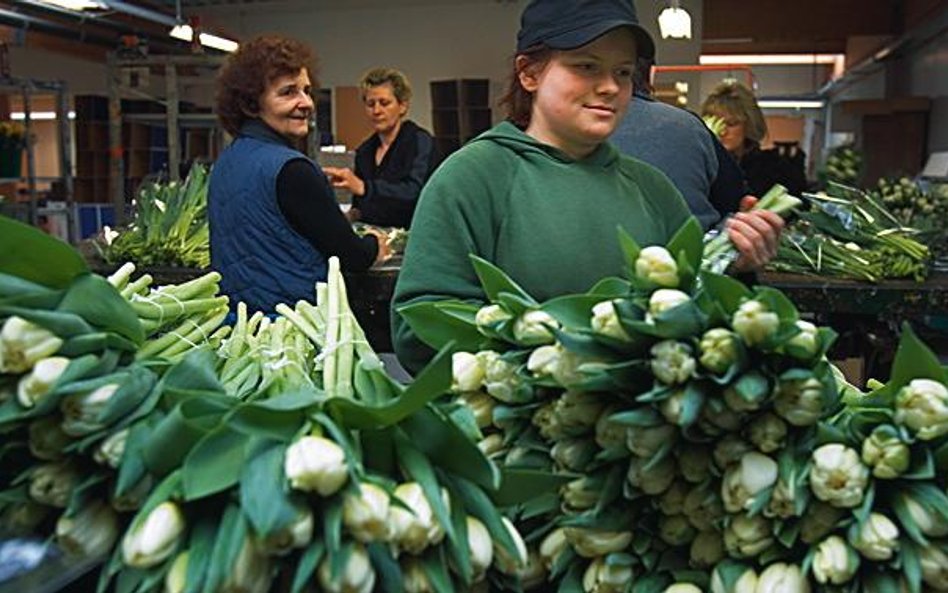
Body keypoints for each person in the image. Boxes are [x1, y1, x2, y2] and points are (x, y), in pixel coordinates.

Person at [390, 0, 784, 373]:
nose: (610, 86)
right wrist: (553, 359)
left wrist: (736, 267)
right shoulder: (471, 178)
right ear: (529, 73)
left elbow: (694, 314)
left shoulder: (652, 189)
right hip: (516, 436)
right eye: (587, 66)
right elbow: (417, 328)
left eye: (623, 72)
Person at [209, 35, 389, 314]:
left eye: (306, 90)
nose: (306, 103)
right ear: (250, 104)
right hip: (292, 327)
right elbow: (352, 255)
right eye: (288, 92)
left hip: (240, 326)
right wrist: (375, 245)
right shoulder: (292, 170)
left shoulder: (227, 162)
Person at [611, 57, 747, 230]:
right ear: (651, 74)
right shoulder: (688, 126)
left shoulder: (578, 130)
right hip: (691, 249)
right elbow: (733, 199)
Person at [323, 68, 438, 229]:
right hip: (375, 239)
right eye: (370, 104)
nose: (376, 111)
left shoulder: (420, 142)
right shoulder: (364, 151)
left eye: (384, 103)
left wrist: (365, 187)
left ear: (402, 106)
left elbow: (415, 192)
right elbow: (362, 204)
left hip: (413, 236)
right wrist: (347, 217)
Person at [701, 80, 808, 197]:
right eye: (715, 123)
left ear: (749, 126)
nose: (722, 131)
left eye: (731, 123)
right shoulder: (701, 167)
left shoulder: (774, 170)